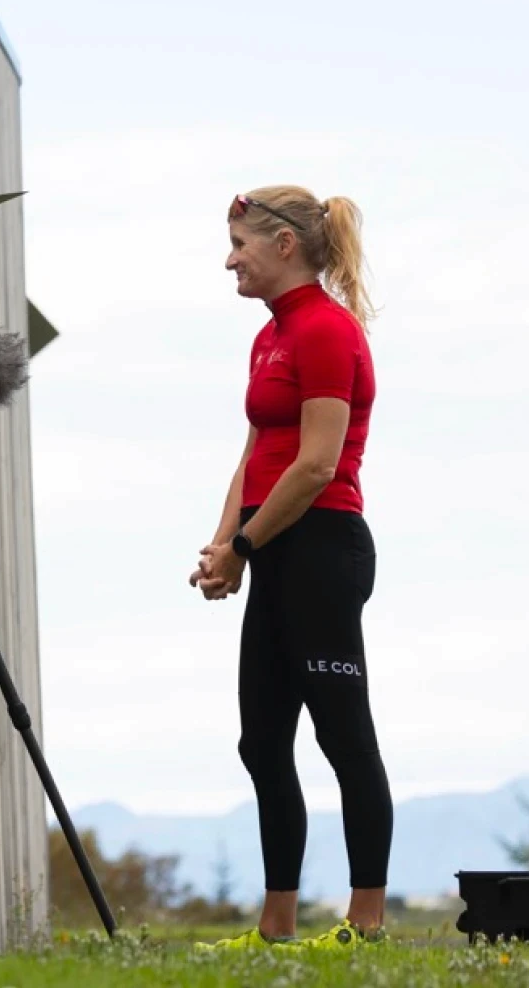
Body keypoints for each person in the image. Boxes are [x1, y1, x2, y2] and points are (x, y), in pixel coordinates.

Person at [189, 186, 390, 951]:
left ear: (284, 245)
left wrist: (244, 547)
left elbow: (314, 467)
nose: (229, 259)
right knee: (263, 742)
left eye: (239, 244)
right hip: (273, 549)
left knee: (344, 737)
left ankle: (365, 924)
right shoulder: (268, 337)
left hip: (323, 548)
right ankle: (275, 929)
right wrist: (224, 546)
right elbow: (255, 456)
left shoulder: (328, 331)